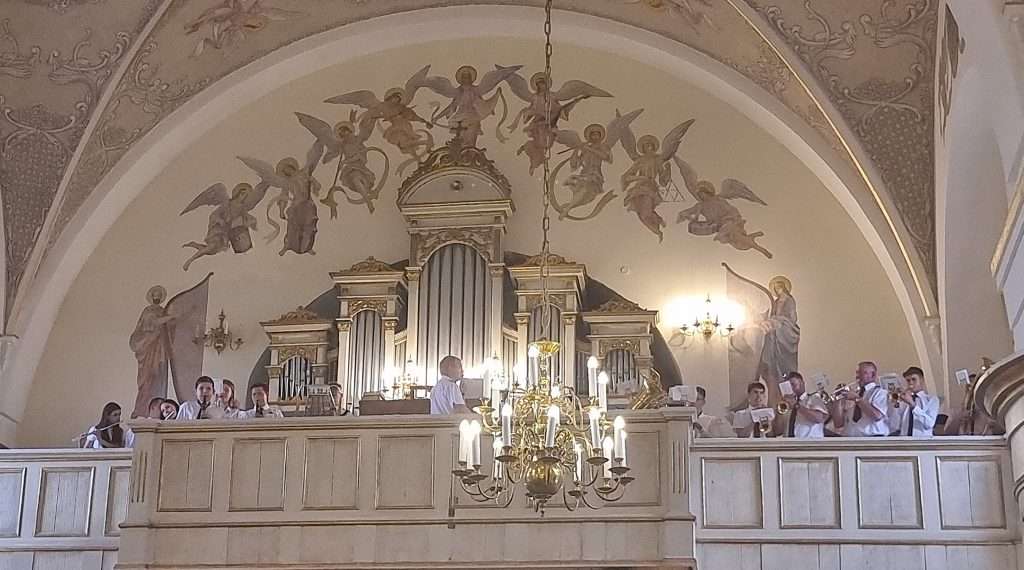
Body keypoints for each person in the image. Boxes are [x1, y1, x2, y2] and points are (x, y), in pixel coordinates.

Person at [834, 361, 889, 436]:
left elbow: (877, 416)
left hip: (872, 438)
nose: (857, 376)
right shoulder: (855, 393)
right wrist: (838, 401)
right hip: (852, 437)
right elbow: (838, 424)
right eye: (857, 373)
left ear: (873, 375)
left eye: (861, 373)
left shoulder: (880, 392)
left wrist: (856, 399)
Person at [773, 372, 828, 438]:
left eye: (793, 384)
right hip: (789, 443)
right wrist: (778, 414)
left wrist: (796, 405)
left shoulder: (813, 398)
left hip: (809, 442)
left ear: (802, 384)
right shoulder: (786, 404)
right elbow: (778, 431)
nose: (792, 388)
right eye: (789, 386)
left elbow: (819, 418)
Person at [889, 366, 939, 437]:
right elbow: (894, 425)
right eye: (908, 380)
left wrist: (913, 405)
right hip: (904, 440)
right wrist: (895, 403)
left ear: (921, 380)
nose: (911, 383)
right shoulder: (903, 401)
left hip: (922, 441)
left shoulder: (931, 399)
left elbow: (929, 424)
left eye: (914, 379)